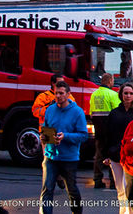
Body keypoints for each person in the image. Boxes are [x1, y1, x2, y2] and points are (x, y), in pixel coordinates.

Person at [39, 81, 88, 214]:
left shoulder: (77, 112)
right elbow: (46, 128)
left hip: (69, 158)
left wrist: (64, 136)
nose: (58, 96)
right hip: (51, 156)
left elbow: (84, 135)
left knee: (71, 189)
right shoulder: (50, 110)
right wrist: (43, 137)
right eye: (56, 93)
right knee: (47, 189)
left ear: (68, 95)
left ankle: (76, 211)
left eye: (61, 93)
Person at [32, 74, 75, 189]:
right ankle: (51, 181)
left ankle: (60, 177)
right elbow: (35, 110)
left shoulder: (69, 97)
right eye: (59, 83)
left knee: (62, 156)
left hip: (63, 131)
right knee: (48, 158)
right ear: (52, 84)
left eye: (63, 82)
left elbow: (74, 110)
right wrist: (48, 108)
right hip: (47, 131)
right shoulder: (43, 96)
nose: (62, 85)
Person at [104, 83, 133, 214]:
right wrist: (106, 154)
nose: (128, 96)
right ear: (121, 95)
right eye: (125, 93)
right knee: (120, 188)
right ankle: (123, 211)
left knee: (129, 187)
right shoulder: (114, 113)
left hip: (132, 156)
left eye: (130, 93)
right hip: (115, 155)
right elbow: (107, 134)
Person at [90, 72, 120, 188]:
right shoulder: (113, 94)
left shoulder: (94, 95)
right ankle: (113, 181)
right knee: (112, 155)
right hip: (110, 131)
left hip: (98, 130)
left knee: (98, 155)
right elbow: (117, 112)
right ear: (110, 81)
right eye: (112, 81)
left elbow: (92, 113)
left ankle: (97, 179)